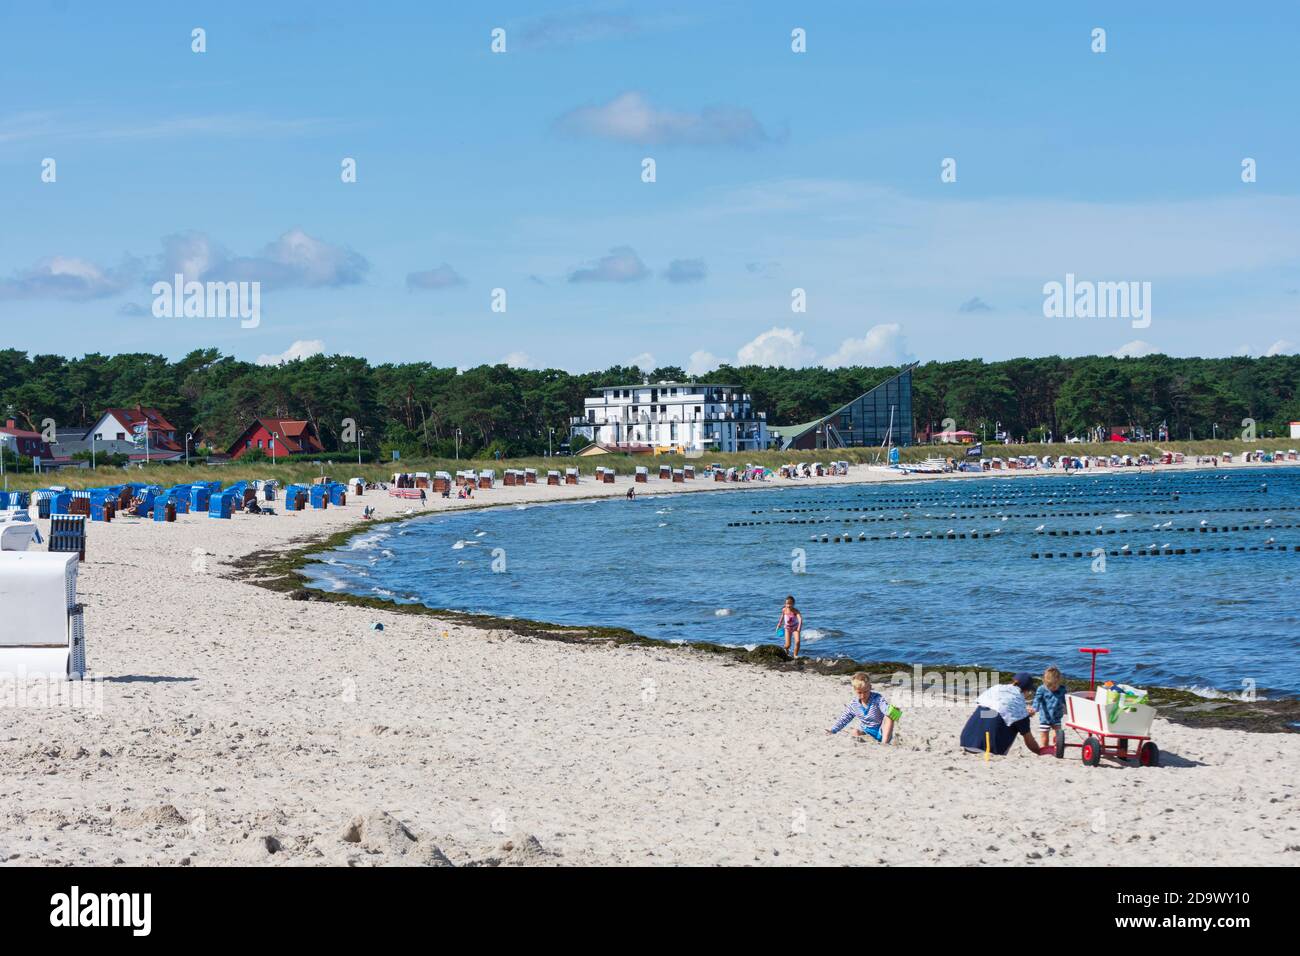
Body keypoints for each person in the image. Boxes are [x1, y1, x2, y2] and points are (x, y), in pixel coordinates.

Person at [959, 673, 1043, 756]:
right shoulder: (1019, 706)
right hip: (988, 748)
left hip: (966, 740)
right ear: (1026, 691)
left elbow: (997, 712)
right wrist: (1040, 752)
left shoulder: (997, 689)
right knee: (1017, 725)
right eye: (1030, 692)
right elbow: (1029, 742)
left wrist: (1024, 713)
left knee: (991, 714)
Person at [826, 673, 896, 743]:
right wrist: (833, 730)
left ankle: (884, 743)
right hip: (867, 733)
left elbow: (885, 708)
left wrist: (893, 711)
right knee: (854, 732)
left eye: (865, 692)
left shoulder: (877, 699)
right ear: (855, 690)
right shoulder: (854, 704)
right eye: (859, 692)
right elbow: (844, 718)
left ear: (870, 687)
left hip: (882, 731)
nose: (863, 696)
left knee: (889, 715)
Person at [1032, 666, 1068, 749]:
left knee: (1058, 735)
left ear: (1059, 681)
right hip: (1045, 717)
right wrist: (1034, 708)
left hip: (1057, 716)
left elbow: (1066, 700)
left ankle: (1057, 747)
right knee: (1044, 735)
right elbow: (1037, 699)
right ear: (1045, 682)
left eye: (1055, 685)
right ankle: (1045, 748)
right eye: (1050, 686)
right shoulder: (1041, 689)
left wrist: (1069, 709)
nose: (1053, 687)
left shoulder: (1062, 689)